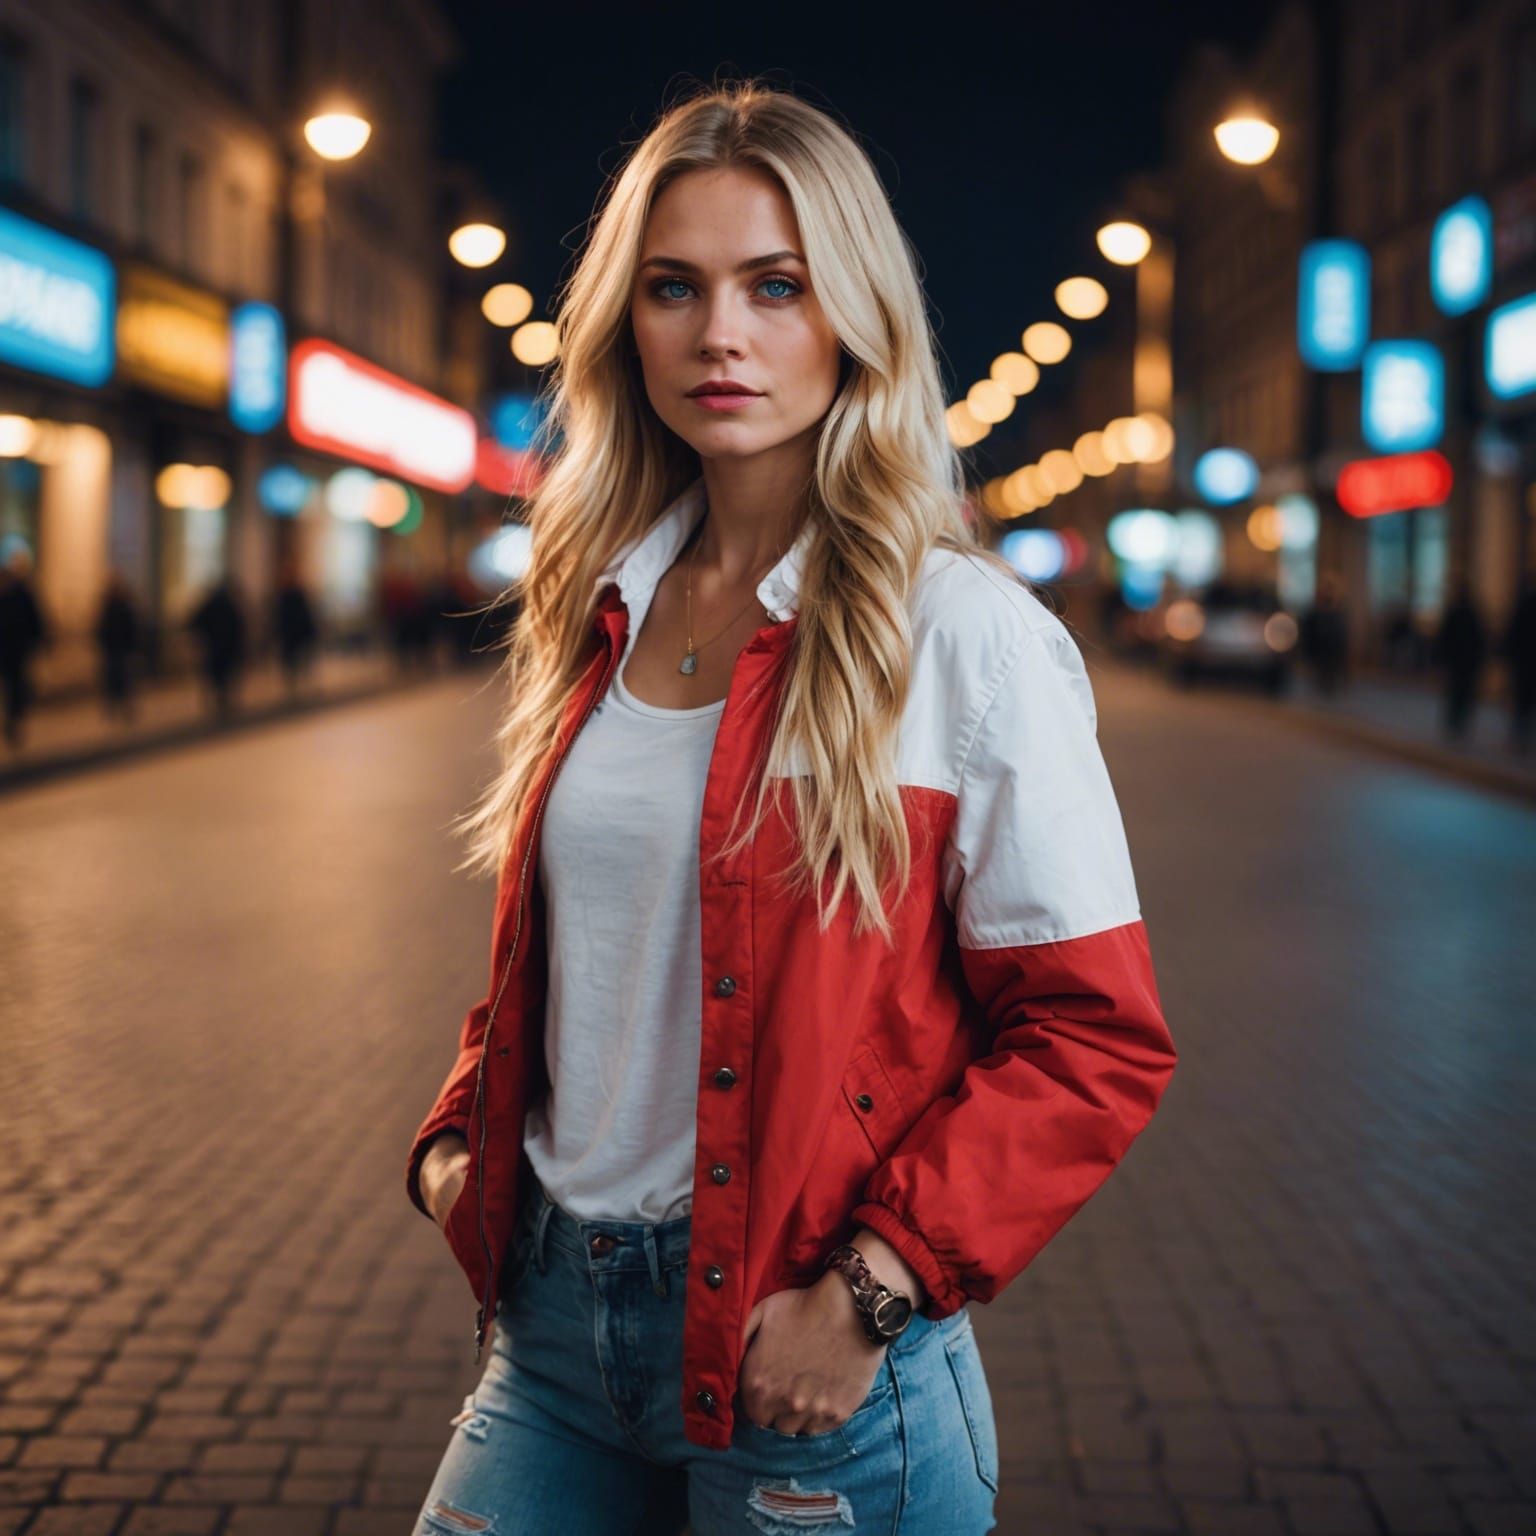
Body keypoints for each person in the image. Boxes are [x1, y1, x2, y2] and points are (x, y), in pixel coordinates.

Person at [404, 80, 1176, 1536]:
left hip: (811, 1357)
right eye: (673, 289)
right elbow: (583, 955)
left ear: (856, 315)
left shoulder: (963, 636)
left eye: (777, 286)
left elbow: (1095, 1036)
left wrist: (874, 1291)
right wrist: (458, 1147)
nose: (721, 336)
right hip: (554, 1332)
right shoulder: (605, 607)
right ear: (624, 326)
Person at [0, 545, 49, 750]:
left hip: (16, 651)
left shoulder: (23, 595)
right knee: (13, 688)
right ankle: (13, 721)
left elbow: (35, 622)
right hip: (10, 650)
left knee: (16, 688)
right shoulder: (14, 595)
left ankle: (14, 722)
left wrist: (37, 642)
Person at [1434, 577, 1487, 743]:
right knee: (1462, 693)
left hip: (1459, 662)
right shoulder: (1471, 613)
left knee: (1457, 693)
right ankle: (1457, 723)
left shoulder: (1458, 612)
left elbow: (1445, 638)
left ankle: (1455, 723)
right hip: (1466, 663)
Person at [186, 576, 247, 720]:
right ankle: (224, 700)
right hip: (226, 648)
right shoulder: (231, 605)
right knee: (226, 676)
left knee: (216, 676)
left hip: (214, 647)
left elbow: (194, 622)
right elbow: (239, 627)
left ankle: (220, 700)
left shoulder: (211, 605)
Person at [94, 571, 143, 724]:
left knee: (122, 680)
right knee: (116, 681)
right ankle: (117, 709)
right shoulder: (111, 606)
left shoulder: (119, 606)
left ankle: (122, 709)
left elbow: (131, 627)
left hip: (119, 649)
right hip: (115, 648)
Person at [1298, 571, 1349, 697]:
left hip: (1332, 644)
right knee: (1323, 668)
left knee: (1330, 668)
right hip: (1320, 643)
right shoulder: (1316, 611)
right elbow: (1309, 630)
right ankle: (1324, 685)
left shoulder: (1337, 610)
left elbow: (1341, 631)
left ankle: (1329, 685)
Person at [272, 561, 319, 696]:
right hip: (290, 634)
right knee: (291, 661)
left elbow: (305, 615)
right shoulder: (284, 595)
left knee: (298, 660)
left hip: (297, 633)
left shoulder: (296, 594)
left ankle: (298, 683)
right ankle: (293, 683)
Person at [1503, 575, 1536, 753]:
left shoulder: (1521, 606)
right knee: (1526, 703)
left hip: (1522, 664)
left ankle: (1519, 735)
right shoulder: (1524, 606)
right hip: (1526, 663)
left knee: (1522, 702)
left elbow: (1512, 635)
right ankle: (1522, 735)